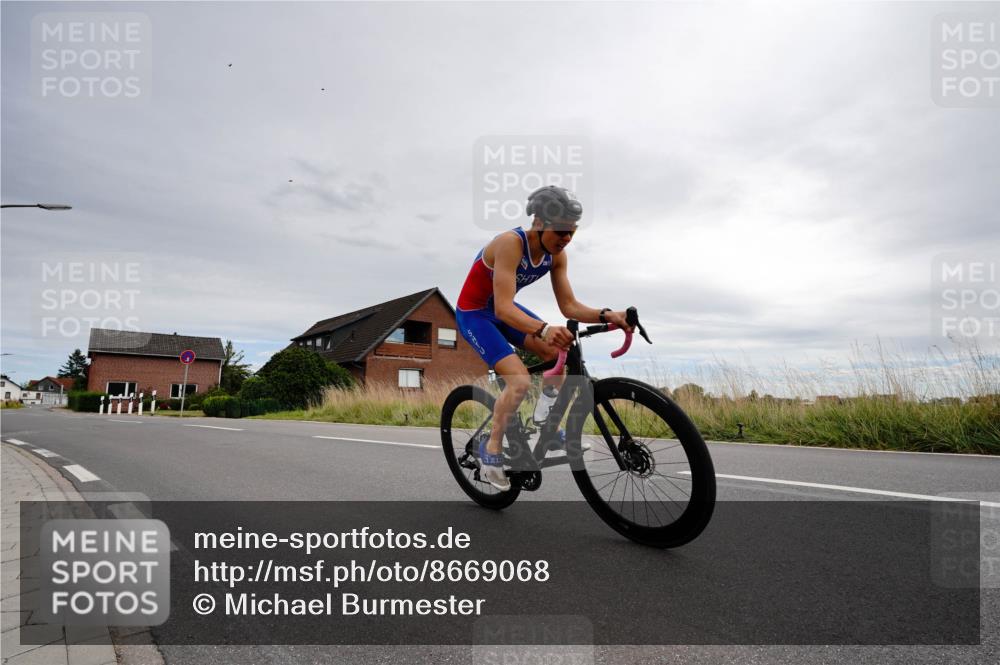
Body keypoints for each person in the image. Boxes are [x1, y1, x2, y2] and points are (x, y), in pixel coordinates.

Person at [455, 185, 633, 490]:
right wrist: (544, 329)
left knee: (556, 354)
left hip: (504, 309)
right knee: (520, 381)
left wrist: (608, 314)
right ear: (538, 223)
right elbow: (503, 307)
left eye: (572, 233)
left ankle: (545, 428)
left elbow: (569, 306)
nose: (566, 239)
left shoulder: (557, 255)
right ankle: (491, 450)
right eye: (561, 230)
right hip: (476, 313)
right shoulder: (510, 243)